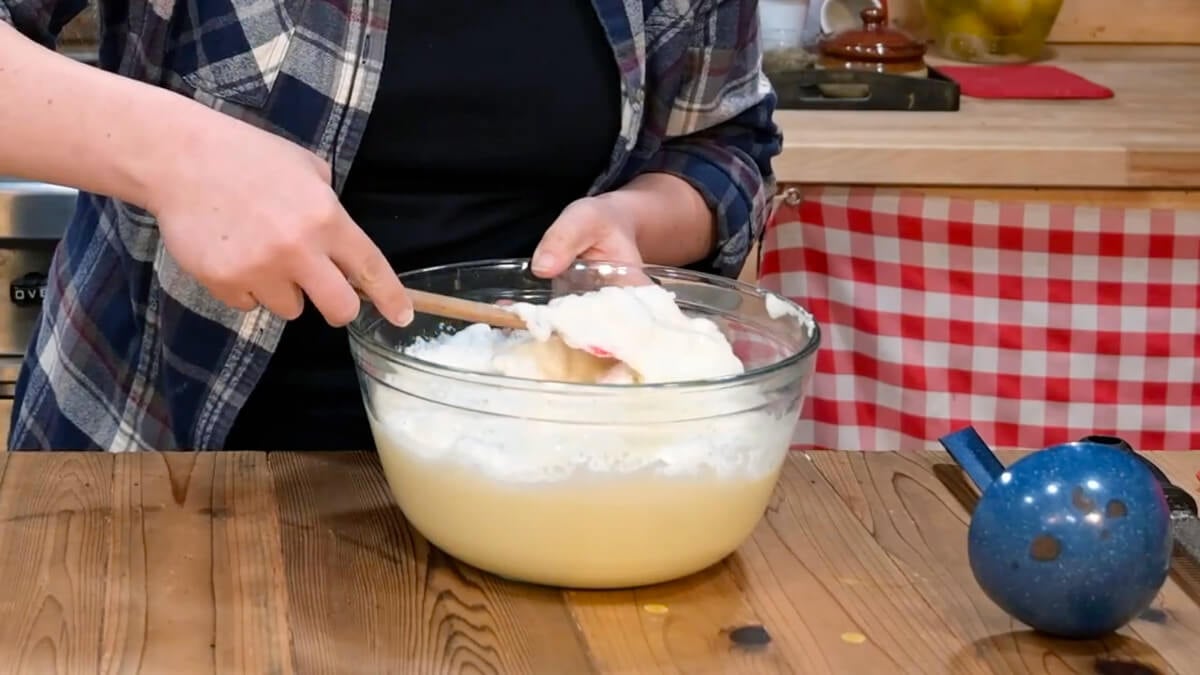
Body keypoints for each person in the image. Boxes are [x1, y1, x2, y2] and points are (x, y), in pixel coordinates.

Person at [0, 0, 782, 451]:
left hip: (559, 478)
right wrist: (173, 154)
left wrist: (633, 221)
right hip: (163, 468)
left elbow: (723, 144)